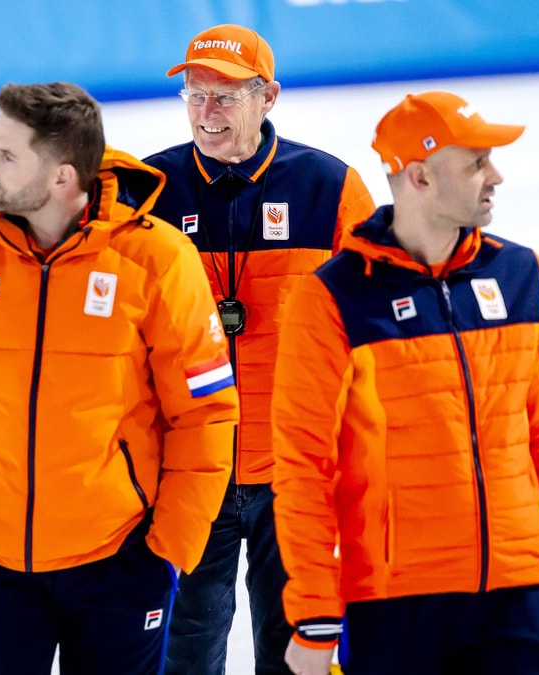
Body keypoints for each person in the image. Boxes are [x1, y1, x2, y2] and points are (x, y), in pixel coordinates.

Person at [0, 81, 240, 674]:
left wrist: (168, 551)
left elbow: (204, 413)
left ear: (61, 176)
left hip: (121, 563)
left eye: (8, 155)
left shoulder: (157, 259)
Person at [271, 90, 539, 674]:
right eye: (477, 163)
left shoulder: (521, 276)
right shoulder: (334, 296)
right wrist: (314, 616)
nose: (495, 176)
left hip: (513, 598)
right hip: (393, 607)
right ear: (420, 177)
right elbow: (304, 468)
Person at [142, 24, 376, 674]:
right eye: (195, 95)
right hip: (190, 469)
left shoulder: (330, 188)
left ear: (268, 97)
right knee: (184, 656)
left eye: (225, 96)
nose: (206, 112)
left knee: (296, 653)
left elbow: (376, 335)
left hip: (296, 475)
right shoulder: (147, 191)